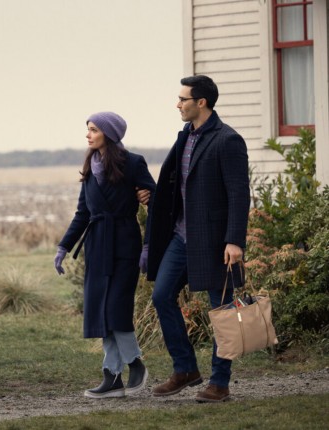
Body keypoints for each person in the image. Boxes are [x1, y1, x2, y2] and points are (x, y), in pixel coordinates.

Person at [141, 75, 250, 403]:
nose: (178, 104)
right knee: (162, 295)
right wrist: (153, 198)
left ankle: (220, 383)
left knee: (223, 311)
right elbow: (178, 186)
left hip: (216, 242)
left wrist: (234, 241)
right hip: (181, 236)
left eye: (183, 99)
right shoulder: (185, 136)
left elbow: (239, 193)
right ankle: (185, 369)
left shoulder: (228, 140)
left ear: (201, 102)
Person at [55, 111, 156, 398]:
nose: (88, 135)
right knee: (101, 311)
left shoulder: (133, 162)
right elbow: (83, 213)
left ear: (108, 134)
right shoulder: (90, 166)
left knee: (115, 309)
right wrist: (64, 246)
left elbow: (157, 203)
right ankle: (111, 376)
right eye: (88, 129)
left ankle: (135, 364)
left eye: (93, 130)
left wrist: (148, 246)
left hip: (124, 243)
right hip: (97, 246)